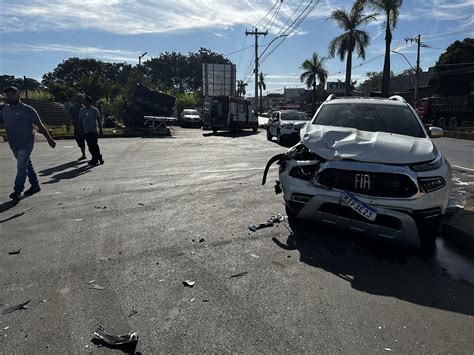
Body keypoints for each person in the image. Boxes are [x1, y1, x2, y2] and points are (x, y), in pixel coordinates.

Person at [0, 86, 56, 202]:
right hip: (13, 143)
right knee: (26, 165)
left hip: (26, 143)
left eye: (12, 94)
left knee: (21, 167)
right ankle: (35, 185)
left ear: (18, 95)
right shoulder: (4, 110)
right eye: (7, 95)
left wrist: (49, 139)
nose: (10, 97)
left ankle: (17, 191)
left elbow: (40, 126)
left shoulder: (28, 109)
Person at [79, 95, 104, 165]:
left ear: (88, 101)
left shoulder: (94, 110)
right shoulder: (82, 110)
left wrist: (100, 130)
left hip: (93, 131)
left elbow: (98, 121)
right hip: (86, 131)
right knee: (90, 146)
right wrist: (80, 129)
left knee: (94, 145)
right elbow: (80, 121)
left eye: (84, 100)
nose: (83, 102)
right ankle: (96, 158)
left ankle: (98, 158)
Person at [66, 93, 87, 160]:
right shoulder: (72, 107)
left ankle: (93, 155)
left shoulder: (85, 107)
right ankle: (83, 155)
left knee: (89, 141)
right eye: (78, 98)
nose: (80, 99)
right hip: (77, 127)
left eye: (81, 98)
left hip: (86, 127)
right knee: (80, 141)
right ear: (76, 99)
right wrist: (68, 126)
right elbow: (69, 117)